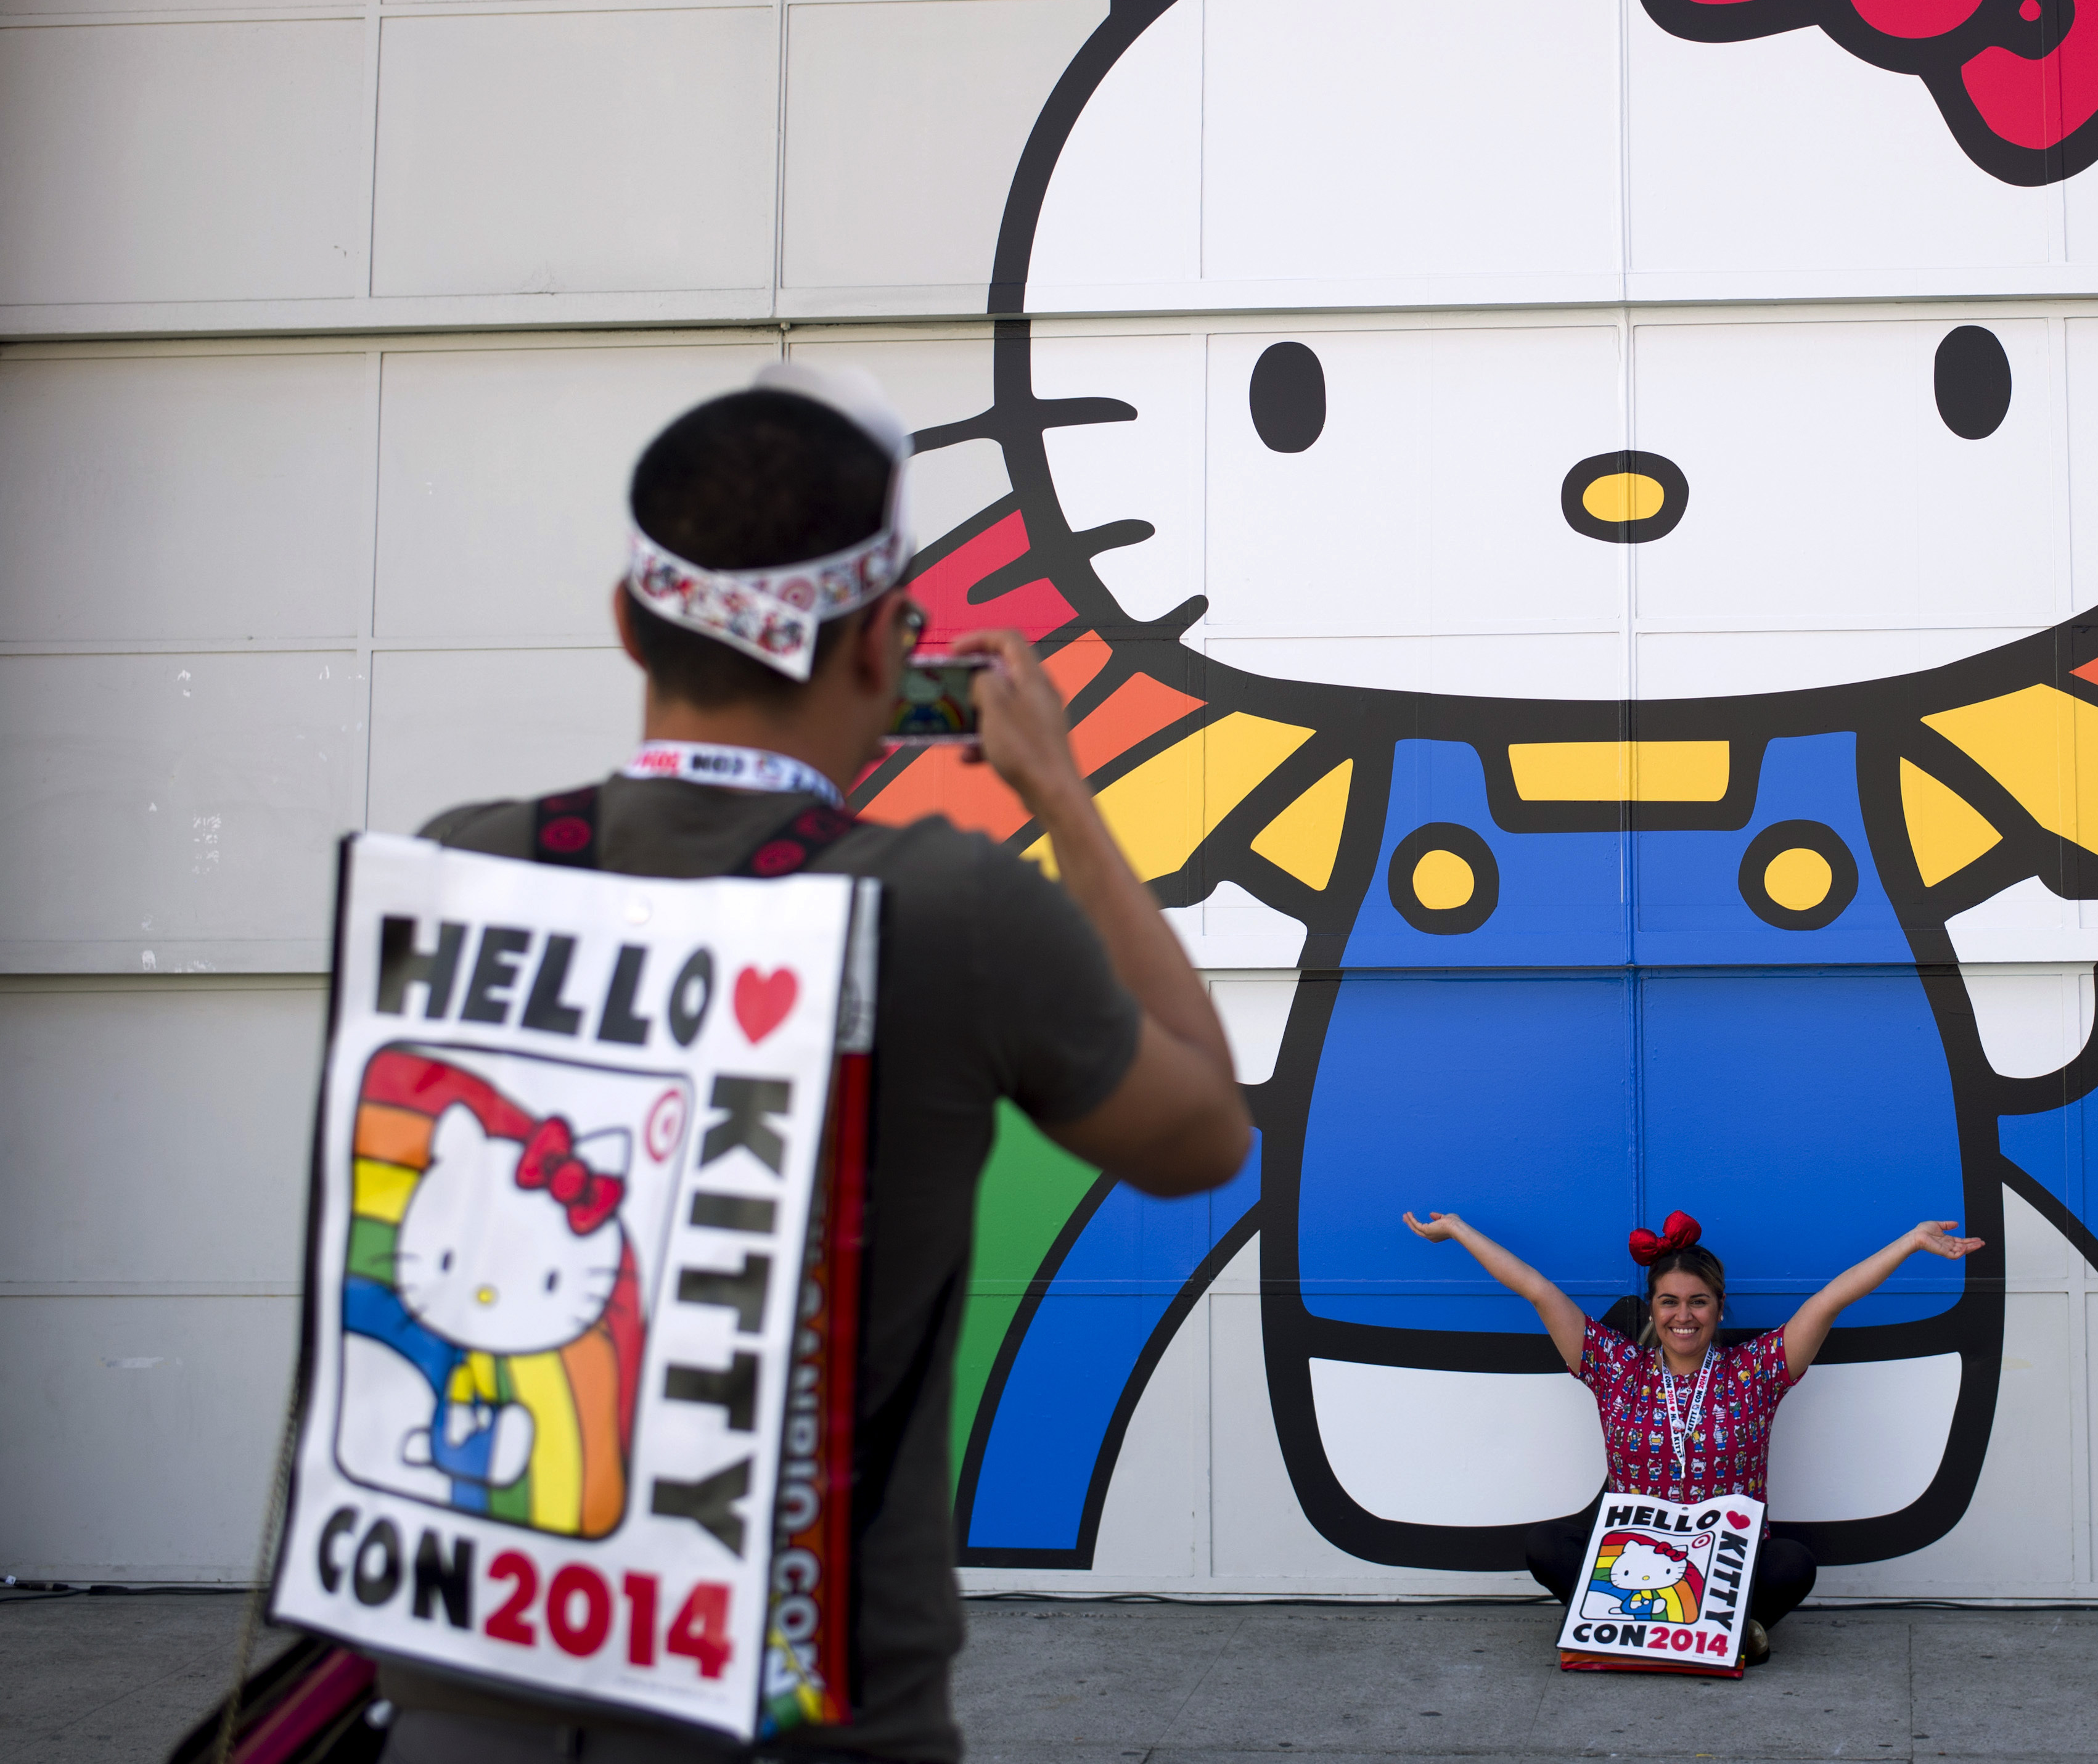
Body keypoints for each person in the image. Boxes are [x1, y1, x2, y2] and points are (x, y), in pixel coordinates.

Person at [378, 363, 1252, 1763]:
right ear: (878, 649)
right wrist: (1060, 793)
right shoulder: (952, 908)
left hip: (469, 1673)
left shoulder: (463, 862)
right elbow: (1204, 1130)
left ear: (626, 620)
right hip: (808, 1706)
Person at [1400, 1206, 1983, 1665]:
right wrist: (1456, 1230)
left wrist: (1911, 1241)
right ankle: (1708, 1637)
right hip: (1633, 1567)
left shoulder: (1756, 1371)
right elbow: (1536, 1289)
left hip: (1727, 1570)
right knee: (1545, 1546)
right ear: (1653, 1310)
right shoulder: (1617, 1370)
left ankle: (1667, 1633)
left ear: (1719, 1308)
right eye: (1670, 1301)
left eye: (1698, 1301)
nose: (1685, 1315)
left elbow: (1831, 1299)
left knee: (1793, 1564)